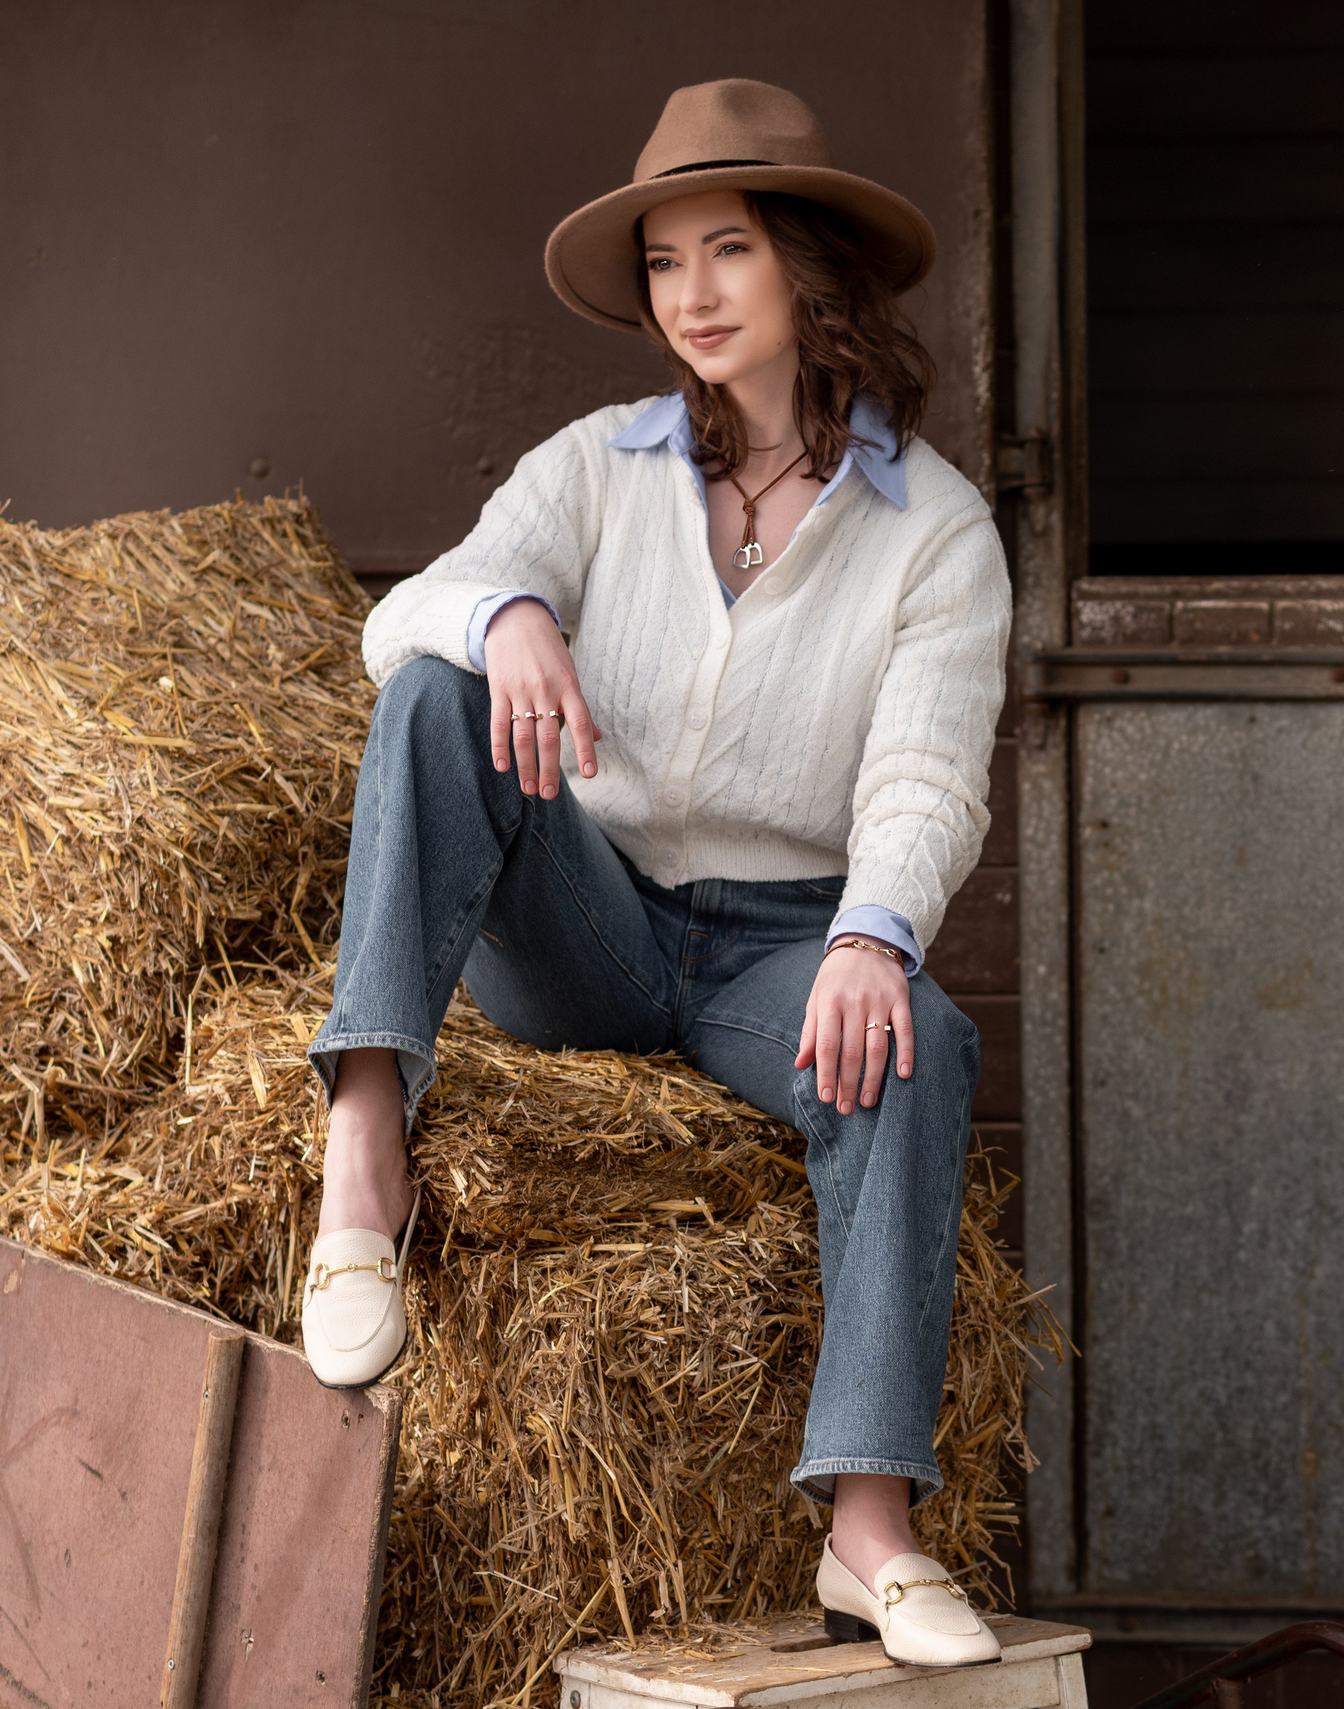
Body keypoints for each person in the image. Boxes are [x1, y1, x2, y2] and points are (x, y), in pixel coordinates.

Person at [297, 79, 1008, 1669]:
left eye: (728, 249)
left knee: (921, 1040)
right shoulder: (595, 468)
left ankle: (869, 1523)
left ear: (810, 265)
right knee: (436, 692)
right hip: (591, 920)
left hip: (778, 953)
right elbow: (400, 619)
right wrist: (506, 615)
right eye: (666, 261)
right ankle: (363, 1146)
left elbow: (926, 772)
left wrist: (874, 936)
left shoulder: (938, 532)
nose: (690, 293)